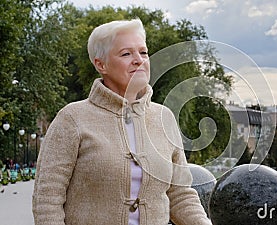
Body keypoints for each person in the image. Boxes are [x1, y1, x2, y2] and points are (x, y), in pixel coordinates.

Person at [32, 19, 212, 225]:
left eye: (143, 53)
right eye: (126, 54)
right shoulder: (72, 119)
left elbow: (180, 195)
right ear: (101, 64)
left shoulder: (164, 118)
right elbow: (47, 200)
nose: (139, 60)